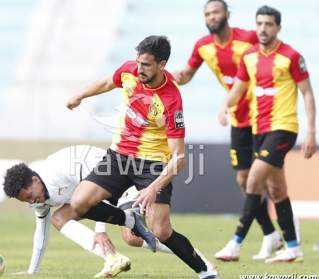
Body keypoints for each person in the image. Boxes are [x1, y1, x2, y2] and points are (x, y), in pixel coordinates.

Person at [66, 36, 219, 279]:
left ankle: (206, 272)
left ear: (162, 64)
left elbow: (179, 158)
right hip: (119, 156)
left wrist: (152, 188)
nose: (140, 69)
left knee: (161, 230)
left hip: (153, 164)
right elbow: (108, 81)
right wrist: (80, 95)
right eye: (139, 62)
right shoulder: (129, 71)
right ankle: (128, 220)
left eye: (146, 65)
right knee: (79, 203)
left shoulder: (171, 100)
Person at [174, 0, 283, 260]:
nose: (212, 17)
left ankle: (289, 232)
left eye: (216, 12)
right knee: (244, 181)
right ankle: (271, 234)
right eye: (207, 13)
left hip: (263, 117)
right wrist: (179, 76)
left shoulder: (247, 38)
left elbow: (272, 57)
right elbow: (189, 72)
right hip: (239, 119)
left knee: (269, 182)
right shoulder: (203, 46)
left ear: (227, 14)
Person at [216, 5, 316, 263]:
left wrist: (311, 132)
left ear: (278, 28)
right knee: (277, 189)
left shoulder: (291, 56)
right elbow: (238, 88)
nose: (263, 29)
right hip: (258, 130)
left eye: (269, 24)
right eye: (259, 23)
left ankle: (235, 243)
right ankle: (293, 247)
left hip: (283, 128)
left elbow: (307, 93)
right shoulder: (249, 56)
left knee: (253, 181)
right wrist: (224, 107)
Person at [3, 145, 132, 278]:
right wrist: (32, 271)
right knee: (58, 218)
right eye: (27, 201)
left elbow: (99, 188)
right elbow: (42, 231)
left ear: (35, 180)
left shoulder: (58, 171)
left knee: (132, 236)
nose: (31, 202)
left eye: (30, 197)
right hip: (103, 193)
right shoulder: (38, 196)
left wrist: (100, 230)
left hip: (120, 177)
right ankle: (113, 258)